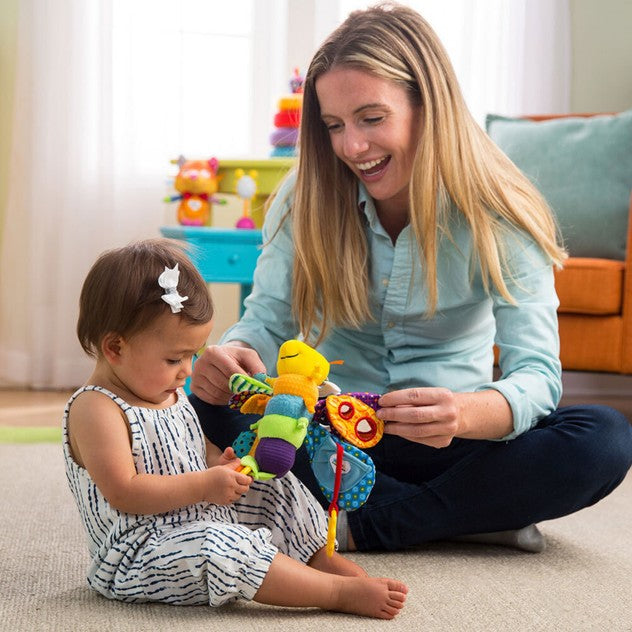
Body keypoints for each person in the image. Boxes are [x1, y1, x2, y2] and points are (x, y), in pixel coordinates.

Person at [189, 3, 632, 555]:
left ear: (430, 106)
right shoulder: (302, 197)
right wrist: (232, 358)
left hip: (453, 441)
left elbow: (537, 375)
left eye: (372, 119)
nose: (352, 147)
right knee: (202, 396)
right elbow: (266, 323)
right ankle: (469, 515)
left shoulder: (503, 210)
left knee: (605, 439)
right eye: (334, 126)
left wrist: (466, 412)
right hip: (328, 436)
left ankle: (364, 522)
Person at [63, 238, 408, 619]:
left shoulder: (167, 392)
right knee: (222, 547)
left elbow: (195, 450)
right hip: (142, 553)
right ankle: (333, 592)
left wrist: (223, 462)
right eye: (174, 358)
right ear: (115, 348)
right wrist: (206, 484)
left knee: (274, 484)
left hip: (197, 514)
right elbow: (125, 491)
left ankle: (320, 559)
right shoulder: (96, 408)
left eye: (192, 355)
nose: (188, 371)